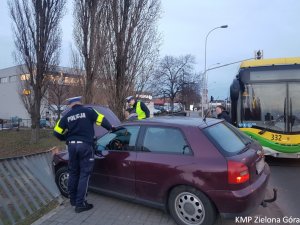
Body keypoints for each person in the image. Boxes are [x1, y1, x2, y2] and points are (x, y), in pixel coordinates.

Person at [53, 96, 113, 213]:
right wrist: (111, 128)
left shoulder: (66, 116)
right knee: (84, 174)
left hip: (72, 147)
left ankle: (73, 200)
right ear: (80, 102)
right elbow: (102, 120)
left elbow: (56, 132)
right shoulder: (89, 111)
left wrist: (67, 138)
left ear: (71, 105)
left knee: (73, 172)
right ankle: (80, 204)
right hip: (85, 146)